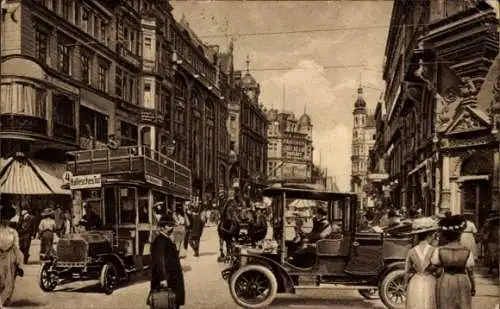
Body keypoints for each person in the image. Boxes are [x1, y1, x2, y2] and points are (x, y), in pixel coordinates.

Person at [431, 215, 476, 309]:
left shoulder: (440, 250)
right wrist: (473, 286)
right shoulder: (467, 251)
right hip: (462, 280)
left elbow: (435, 268)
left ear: (446, 236)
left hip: (445, 280)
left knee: (445, 305)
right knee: (463, 305)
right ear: (460, 235)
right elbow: (470, 272)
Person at [149, 214, 185, 309]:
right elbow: (160, 262)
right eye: (170, 226)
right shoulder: (160, 241)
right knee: (165, 303)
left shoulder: (166, 239)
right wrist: (163, 279)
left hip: (172, 278)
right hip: (167, 279)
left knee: (172, 303)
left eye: (172, 225)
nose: (172, 228)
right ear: (163, 227)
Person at [404, 217, 439, 309]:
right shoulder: (434, 250)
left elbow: (406, 271)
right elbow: (438, 269)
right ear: (429, 235)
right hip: (430, 281)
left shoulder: (411, 251)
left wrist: (405, 284)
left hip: (415, 282)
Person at [0, 208, 24, 307]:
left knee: (9, 280)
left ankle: (5, 300)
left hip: (10, 256)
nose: (5, 221)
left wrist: (19, 262)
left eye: (7, 219)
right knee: (0, 279)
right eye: (3, 219)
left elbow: (16, 246)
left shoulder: (13, 232)